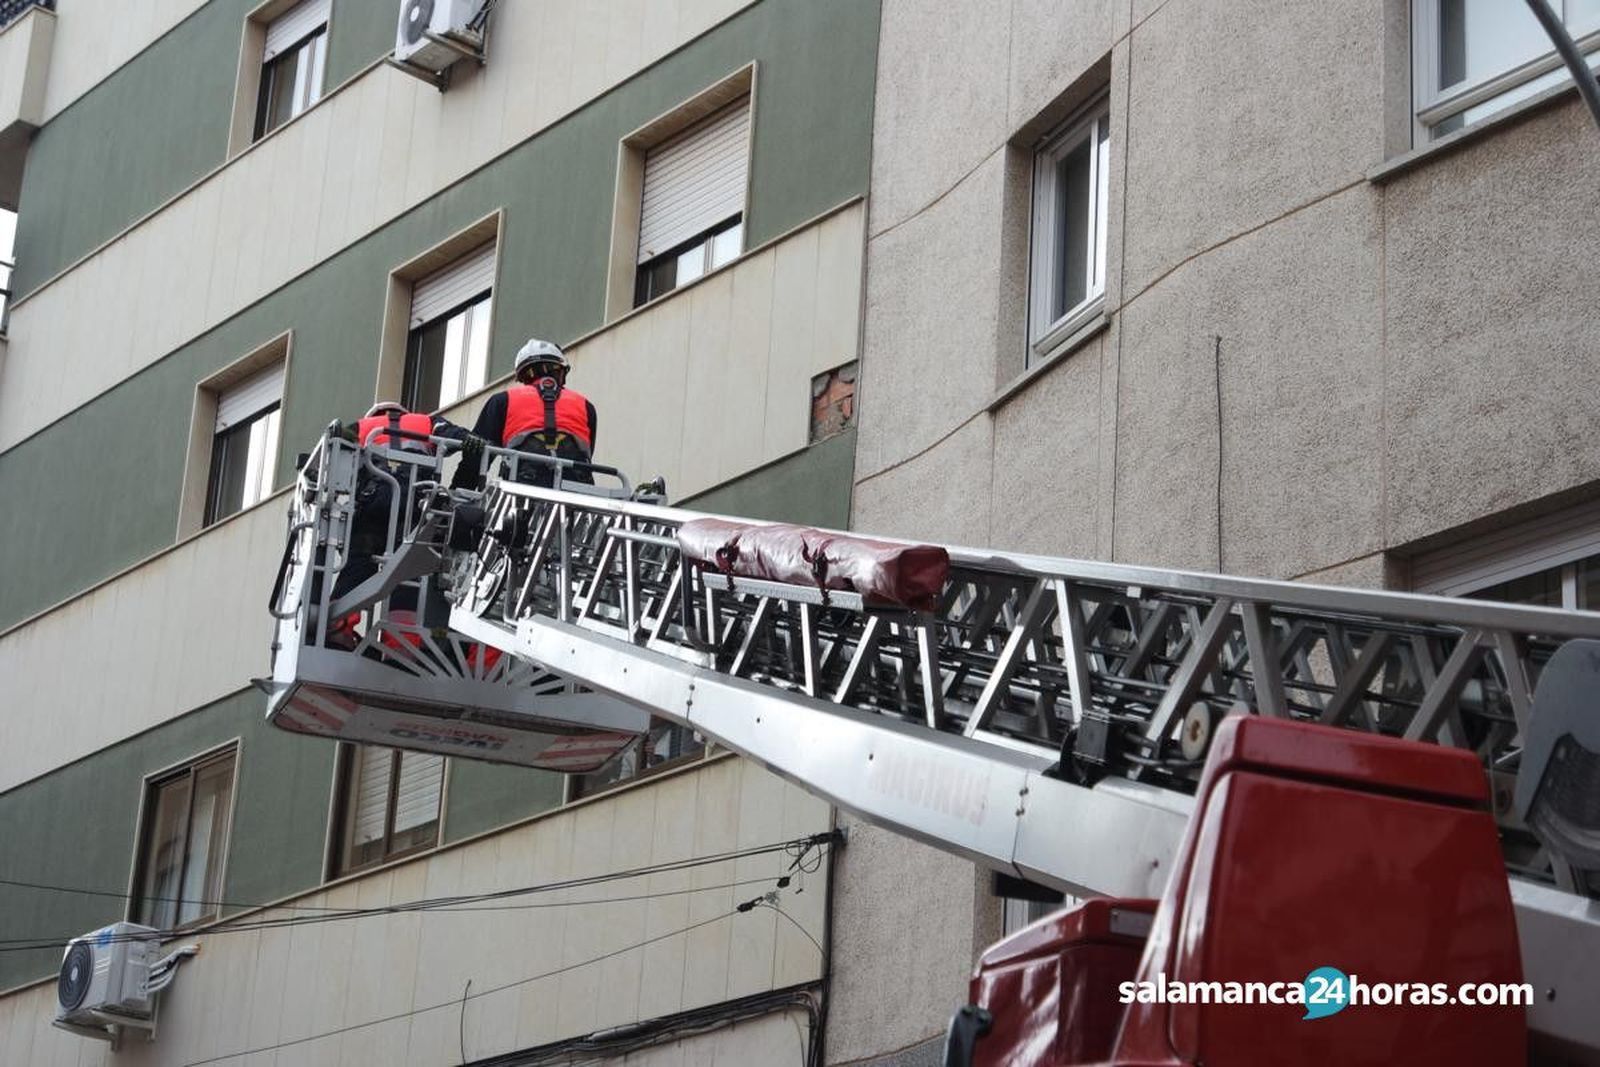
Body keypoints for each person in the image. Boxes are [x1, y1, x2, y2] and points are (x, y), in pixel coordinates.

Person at [469, 339, 597, 487]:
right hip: (575, 489)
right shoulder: (586, 407)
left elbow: (476, 454)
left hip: (521, 488)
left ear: (525, 375)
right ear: (558, 370)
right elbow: (587, 453)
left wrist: (457, 492)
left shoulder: (503, 401)